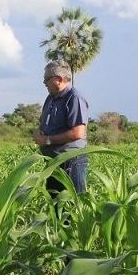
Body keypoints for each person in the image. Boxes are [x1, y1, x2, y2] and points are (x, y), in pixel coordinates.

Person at [33, 60, 88, 194]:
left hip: (70, 162)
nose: (44, 82)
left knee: (70, 206)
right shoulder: (50, 98)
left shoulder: (74, 98)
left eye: (46, 79)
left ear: (58, 79)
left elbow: (78, 132)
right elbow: (45, 123)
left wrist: (48, 140)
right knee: (55, 206)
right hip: (53, 162)